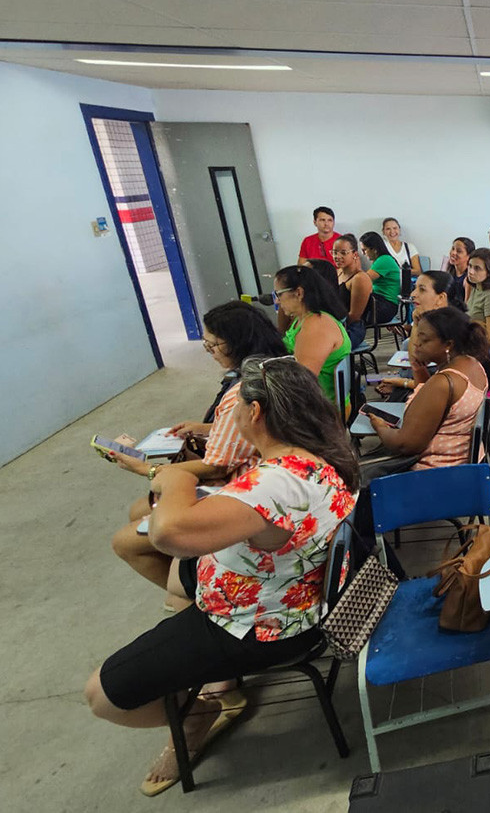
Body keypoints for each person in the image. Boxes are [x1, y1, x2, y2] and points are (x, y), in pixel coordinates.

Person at [85, 355, 358, 797]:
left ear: (255, 413)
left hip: (261, 624)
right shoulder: (321, 453)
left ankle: (197, 714)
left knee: (101, 696)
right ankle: (204, 668)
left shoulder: (272, 483)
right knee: (172, 579)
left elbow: (168, 533)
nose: (224, 417)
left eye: (230, 408)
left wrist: (173, 480)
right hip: (285, 587)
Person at [107, 301, 288, 609]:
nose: (209, 350)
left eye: (213, 344)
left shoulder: (242, 394)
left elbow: (217, 465)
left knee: (127, 539)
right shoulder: (281, 368)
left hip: (239, 492)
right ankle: (188, 589)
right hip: (254, 487)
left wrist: (144, 470)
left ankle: (192, 596)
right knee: (142, 511)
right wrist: (207, 428)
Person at [364, 307, 489, 470]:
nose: (416, 343)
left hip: (429, 474)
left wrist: (379, 426)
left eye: (424, 339)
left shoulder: (443, 383)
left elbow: (405, 445)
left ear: (448, 345)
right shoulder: (472, 365)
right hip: (457, 466)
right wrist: (418, 369)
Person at [273, 265, 351, 402]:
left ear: (298, 293)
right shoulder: (301, 319)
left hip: (321, 408)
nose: (277, 301)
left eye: (279, 294)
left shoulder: (316, 325)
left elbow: (302, 383)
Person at [374, 271, 453, 398]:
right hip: (424, 387)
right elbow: (416, 363)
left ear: (441, 298)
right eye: (415, 288)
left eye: (422, 290)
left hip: (433, 395)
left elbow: (433, 387)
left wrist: (403, 383)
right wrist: (416, 323)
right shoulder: (429, 321)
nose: (413, 294)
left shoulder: (448, 332)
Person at [332, 234, 372, 348]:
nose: (337, 256)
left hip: (352, 328)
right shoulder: (338, 272)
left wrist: (333, 327)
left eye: (343, 253)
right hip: (339, 324)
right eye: (335, 252)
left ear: (354, 254)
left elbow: (354, 316)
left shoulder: (360, 278)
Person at [360, 232, 403, 324]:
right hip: (381, 303)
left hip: (385, 307)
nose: (363, 254)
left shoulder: (384, 260)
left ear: (374, 249)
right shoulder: (381, 260)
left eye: (365, 250)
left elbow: (362, 281)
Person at [444, 236, 475, 311]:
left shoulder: (468, 279)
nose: (453, 253)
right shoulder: (450, 272)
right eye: (453, 249)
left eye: (459, 251)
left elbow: (467, 307)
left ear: (469, 256)